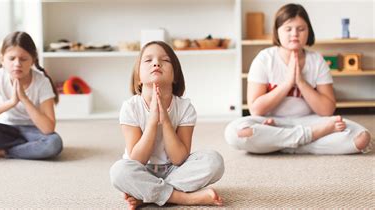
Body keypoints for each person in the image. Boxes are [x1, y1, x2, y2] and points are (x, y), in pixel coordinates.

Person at [225, 3, 372, 154]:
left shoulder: (317, 61)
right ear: (277, 32)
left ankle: (278, 143)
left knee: (361, 137)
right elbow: (256, 109)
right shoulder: (264, 59)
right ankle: (309, 137)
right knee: (235, 132)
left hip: (310, 121)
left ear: (308, 31)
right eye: (288, 29)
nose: (294, 34)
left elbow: (327, 110)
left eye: (301, 29)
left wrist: (301, 82)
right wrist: (288, 83)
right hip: (271, 122)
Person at [110, 41, 225, 209]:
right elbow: (137, 159)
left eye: (165, 60)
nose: (156, 63)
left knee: (214, 161)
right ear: (138, 76)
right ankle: (183, 198)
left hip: (174, 169)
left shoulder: (185, 108)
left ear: (175, 76)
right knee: (118, 172)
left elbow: (179, 158)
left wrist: (165, 119)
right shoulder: (130, 107)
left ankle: (148, 194)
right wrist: (152, 120)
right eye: (148, 60)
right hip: (142, 169)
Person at [0, 31, 63, 159]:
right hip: (6, 130)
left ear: (33, 60)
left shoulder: (42, 82)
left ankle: (2, 152)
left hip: (33, 131)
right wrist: (11, 102)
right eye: (11, 58)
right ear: (2, 60)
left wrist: (24, 99)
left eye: (23, 59)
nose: (17, 64)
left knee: (54, 143)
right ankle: (27, 148)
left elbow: (48, 129)